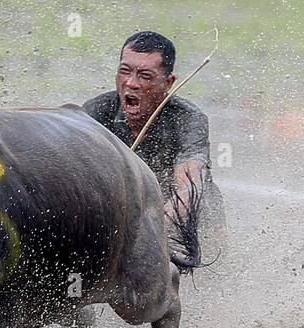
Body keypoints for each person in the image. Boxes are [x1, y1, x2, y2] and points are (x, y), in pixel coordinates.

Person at [83, 30, 225, 262]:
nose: (131, 83)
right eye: (124, 71)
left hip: (183, 222)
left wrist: (151, 235)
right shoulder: (96, 113)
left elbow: (190, 184)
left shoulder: (188, 118)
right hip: (129, 215)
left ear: (168, 83)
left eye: (145, 75)